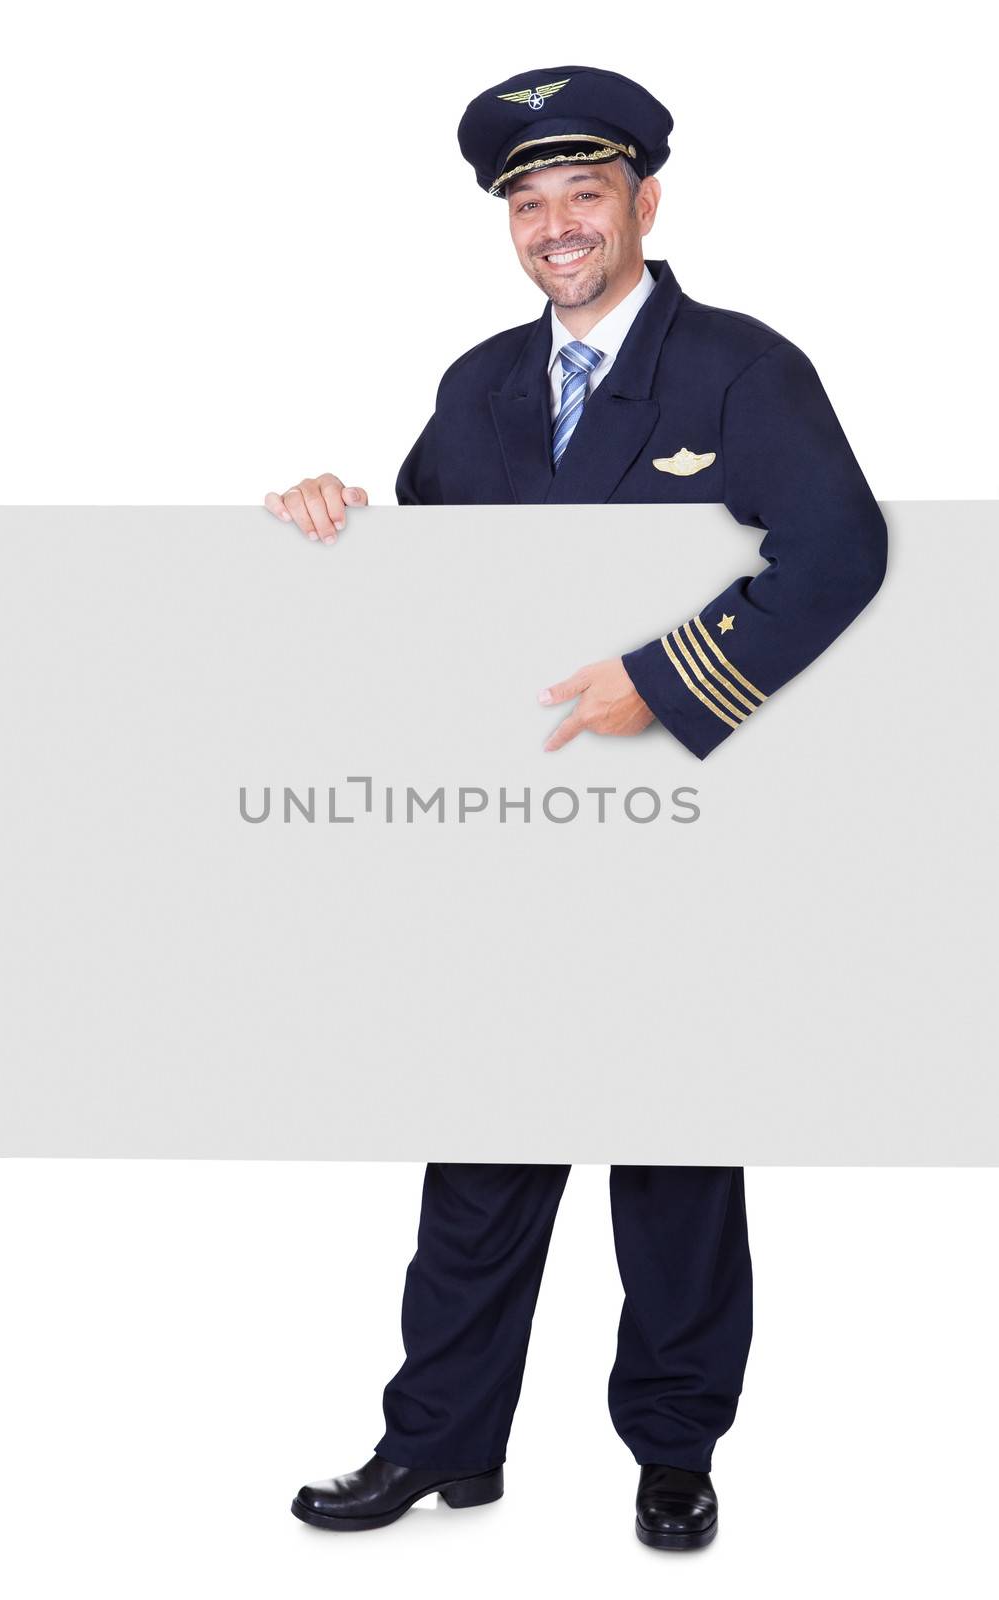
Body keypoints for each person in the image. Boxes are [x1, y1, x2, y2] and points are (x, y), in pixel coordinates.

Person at [266, 65, 886, 1550]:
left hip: (679, 835)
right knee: (480, 1148)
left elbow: (842, 549)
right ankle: (441, 1444)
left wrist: (668, 681)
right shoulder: (477, 385)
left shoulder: (741, 368)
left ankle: (674, 1450)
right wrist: (334, 529)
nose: (555, 225)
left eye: (583, 193)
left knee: (671, 1153)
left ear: (643, 202)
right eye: (526, 203)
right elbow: (431, 594)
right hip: (513, 846)